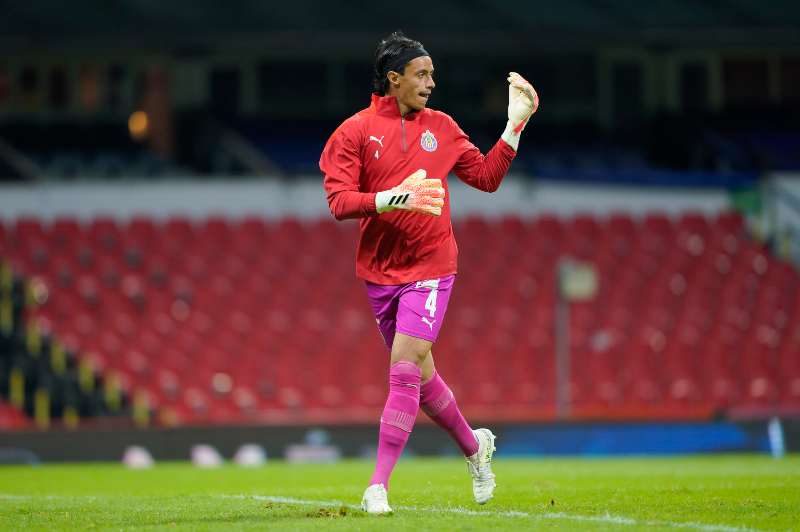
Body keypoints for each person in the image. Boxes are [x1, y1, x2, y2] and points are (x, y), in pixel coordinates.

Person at [319, 30, 538, 514]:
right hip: (380, 271)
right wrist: (391, 198)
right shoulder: (354, 132)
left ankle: (378, 486)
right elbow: (338, 202)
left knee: (402, 371)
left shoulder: (442, 127)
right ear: (393, 79)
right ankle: (474, 446)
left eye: (433, 74)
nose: (431, 83)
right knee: (421, 378)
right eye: (422, 74)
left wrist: (513, 127)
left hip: (432, 265)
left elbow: (486, 177)